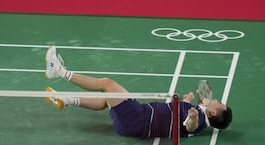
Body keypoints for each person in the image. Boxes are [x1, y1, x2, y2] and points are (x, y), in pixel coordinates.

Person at [43, 46, 232, 139]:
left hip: (137, 117)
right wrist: (186, 102)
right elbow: (182, 123)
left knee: (107, 84)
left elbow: (189, 126)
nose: (216, 99)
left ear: (213, 112)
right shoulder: (199, 113)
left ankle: (58, 71)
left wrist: (191, 116)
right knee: (107, 99)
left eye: (219, 103)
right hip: (133, 124)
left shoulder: (198, 120)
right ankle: (65, 99)